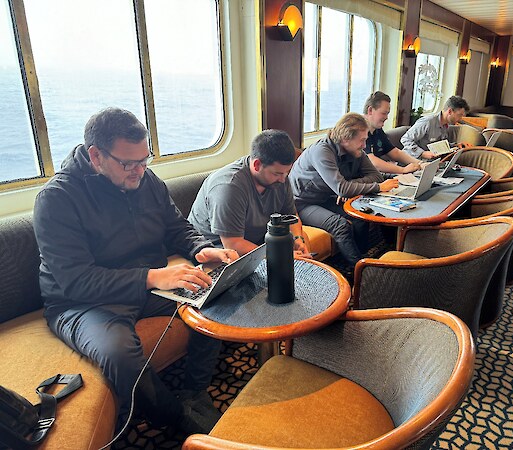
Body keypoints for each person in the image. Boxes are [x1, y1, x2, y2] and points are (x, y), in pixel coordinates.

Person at [33, 107, 239, 436]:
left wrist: (201, 248)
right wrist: (153, 277)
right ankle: (175, 419)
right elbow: (76, 281)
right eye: (129, 163)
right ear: (96, 155)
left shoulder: (145, 179)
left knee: (215, 295)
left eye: (145, 160)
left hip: (146, 284)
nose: (139, 171)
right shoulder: (57, 199)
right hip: (82, 302)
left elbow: (176, 227)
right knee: (119, 354)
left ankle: (195, 392)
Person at [288, 113, 399, 269]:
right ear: (346, 139)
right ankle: (358, 270)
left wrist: (350, 184)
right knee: (339, 225)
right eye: (362, 140)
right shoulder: (322, 151)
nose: (365, 145)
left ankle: (363, 256)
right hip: (302, 204)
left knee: (361, 213)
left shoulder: (355, 150)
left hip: (327, 197)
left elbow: (376, 176)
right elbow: (343, 188)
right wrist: (377, 188)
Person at [188, 129, 311, 258]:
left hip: (256, 240)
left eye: (287, 172)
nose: (283, 179)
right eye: (277, 173)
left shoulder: (280, 178)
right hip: (217, 250)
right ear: (257, 165)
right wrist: (280, 256)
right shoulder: (229, 187)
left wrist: (298, 239)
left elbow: (291, 216)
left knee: (302, 245)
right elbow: (233, 244)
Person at [363, 91, 422, 174]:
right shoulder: (359, 131)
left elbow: (395, 152)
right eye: (383, 113)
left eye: (387, 114)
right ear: (370, 110)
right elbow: (372, 162)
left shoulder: (377, 130)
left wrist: (419, 163)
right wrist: (403, 170)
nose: (386, 118)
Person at [401, 95, 470, 159]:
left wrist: (456, 146)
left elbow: (438, 144)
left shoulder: (446, 125)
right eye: (459, 115)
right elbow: (405, 139)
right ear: (450, 111)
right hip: (411, 161)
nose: (460, 118)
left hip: (430, 162)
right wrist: (422, 153)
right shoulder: (427, 122)